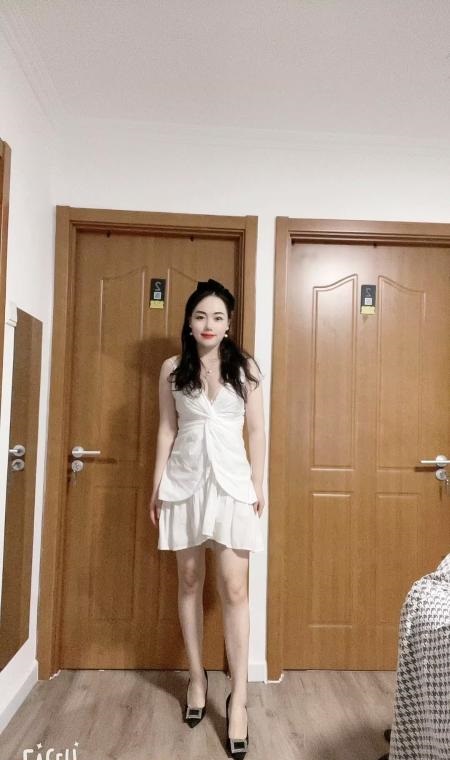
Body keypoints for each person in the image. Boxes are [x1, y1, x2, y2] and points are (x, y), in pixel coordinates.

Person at [149, 278, 265, 759]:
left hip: (234, 487)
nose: (209, 324)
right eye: (201, 316)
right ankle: (197, 680)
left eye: (218, 317)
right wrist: (156, 486)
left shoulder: (246, 368)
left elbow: (256, 431)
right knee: (190, 580)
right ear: (189, 321)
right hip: (185, 484)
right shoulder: (172, 368)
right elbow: (166, 428)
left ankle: (239, 699)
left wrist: (260, 486)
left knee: (235, 589)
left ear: (229, 323)